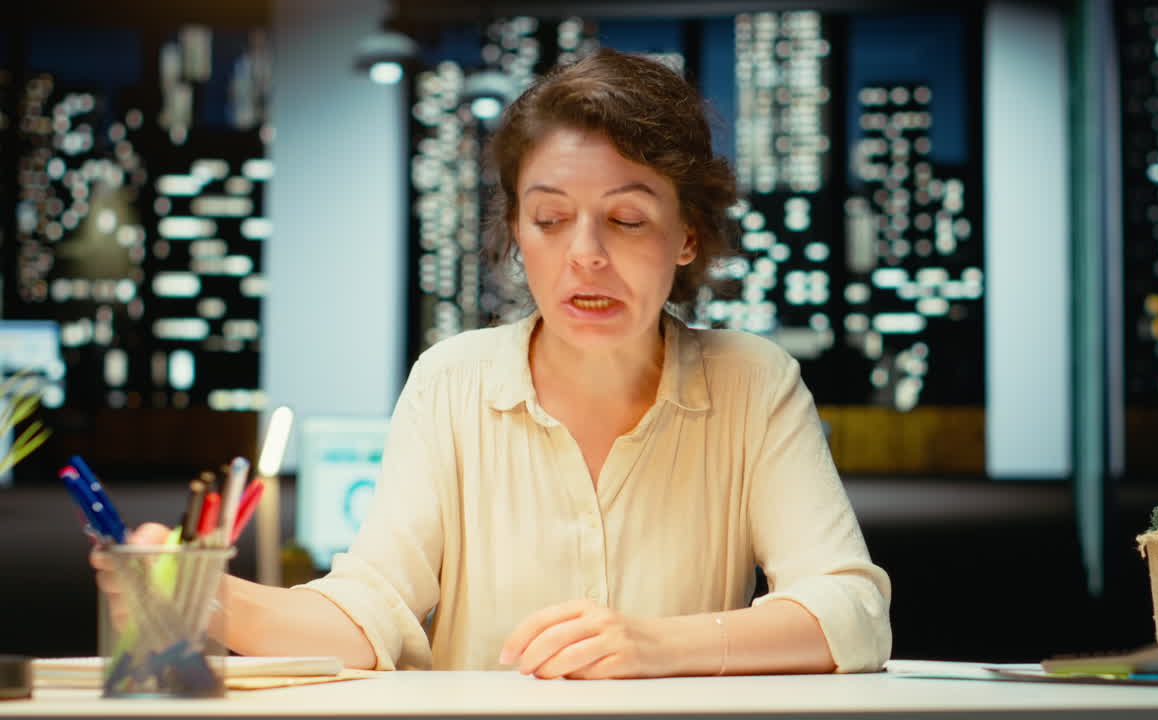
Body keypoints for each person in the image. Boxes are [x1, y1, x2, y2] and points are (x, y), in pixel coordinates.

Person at [94, 48, 891, 679]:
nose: (586, 256)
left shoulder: (752, 381)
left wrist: (658, 646)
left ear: (686, 237)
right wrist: (206, 596)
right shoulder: (453, 381)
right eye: (550, 219)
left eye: (627, 218)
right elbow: (370, 611)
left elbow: (851, 610)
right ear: (517, 232)